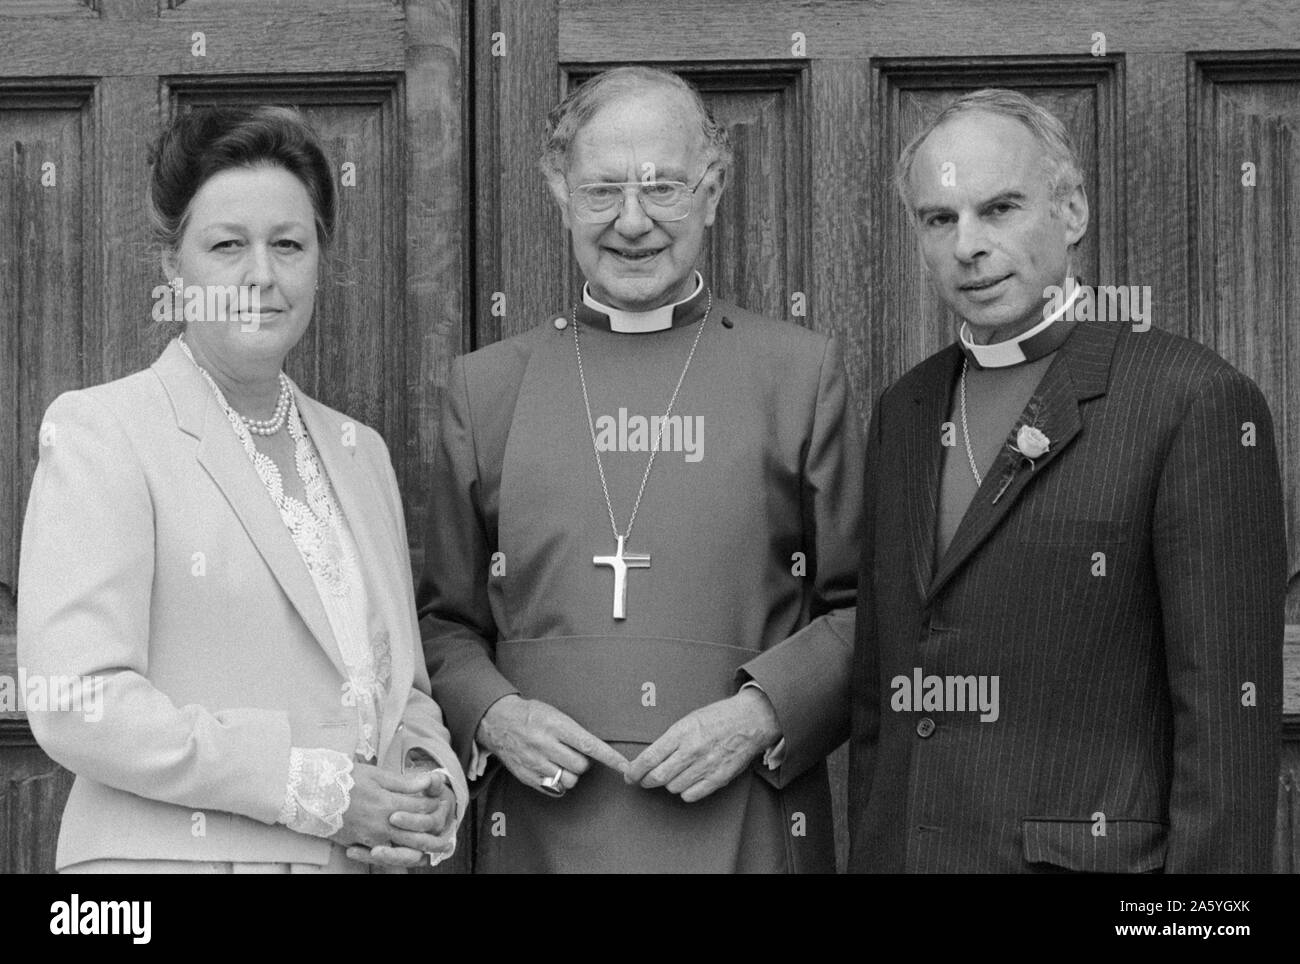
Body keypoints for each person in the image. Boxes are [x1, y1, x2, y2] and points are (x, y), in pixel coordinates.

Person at [419, 66, 862, 872]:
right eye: (602, 191)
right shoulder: (487, 388)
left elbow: (863, 606)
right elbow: (439, 622)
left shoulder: (798, 375)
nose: (632, 221)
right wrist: (494, 715)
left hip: (744, 823)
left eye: (663, 187)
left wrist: (760, 716)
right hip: (540, 825)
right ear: (559, 193)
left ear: (713, 189)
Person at [18, 105, 467, 873]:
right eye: (228, 245)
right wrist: (314, 790)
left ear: (320, 258)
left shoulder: (361, 453)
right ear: (173, 266)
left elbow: (402, 690)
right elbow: (74, 701)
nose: (261, 274)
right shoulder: (104, 432)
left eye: (288, 244)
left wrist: (427, 785)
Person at [848, 88, 1285, 873]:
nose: (967, 246)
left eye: (1000, 208)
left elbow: (1225, 729)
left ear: (1072, 211)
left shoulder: (1192, 400)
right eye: (939, 219)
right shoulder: (905, 409)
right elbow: (883, 702)